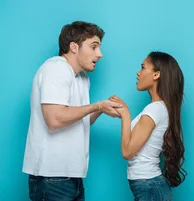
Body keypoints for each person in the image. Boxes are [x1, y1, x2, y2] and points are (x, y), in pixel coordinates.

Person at [23, 21, 121, 201]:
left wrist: (102, 109)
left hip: (72, 176)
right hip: (51, 176)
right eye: (94, 47)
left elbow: (79, 120)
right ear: (74, 47)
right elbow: (54, 120)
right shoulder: (55, 68)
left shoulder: (82, 78)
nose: (100, 54)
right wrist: (97, 106)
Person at [110, 51, 187, 201]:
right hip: (149, 185)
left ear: (156, 74)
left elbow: (127, 152)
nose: (138, 73)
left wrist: (125, 114)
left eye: (143, 67)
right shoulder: (160, 108)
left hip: (149, 184)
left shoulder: (155, 109)